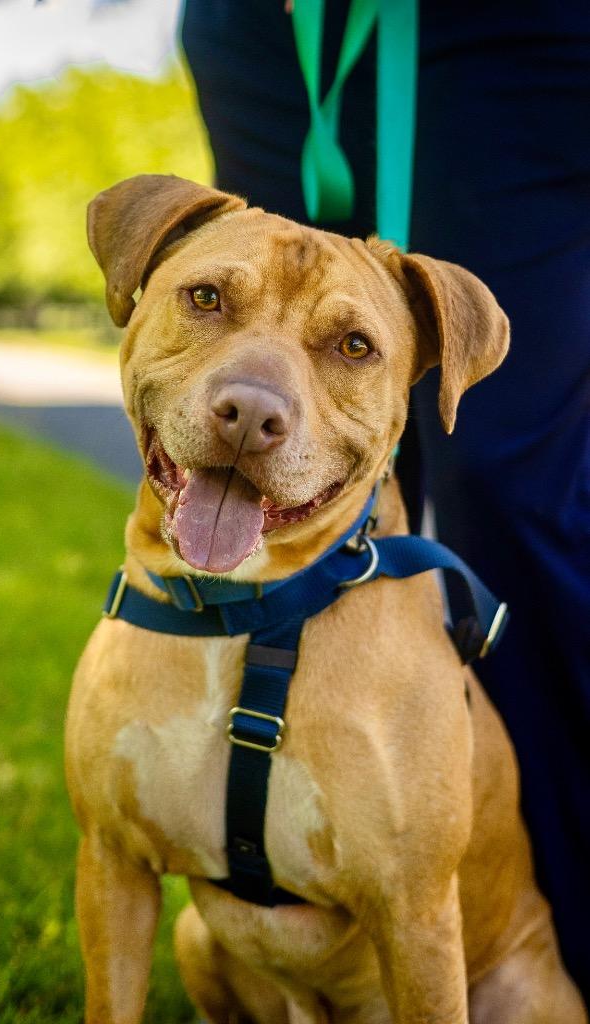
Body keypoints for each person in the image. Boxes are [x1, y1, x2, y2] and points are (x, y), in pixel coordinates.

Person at [182, 0, 590, 997]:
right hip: (272, 33)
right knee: (309, 466)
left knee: (501, 473)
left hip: (507, 37)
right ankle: (326, 939)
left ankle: (559, 943)